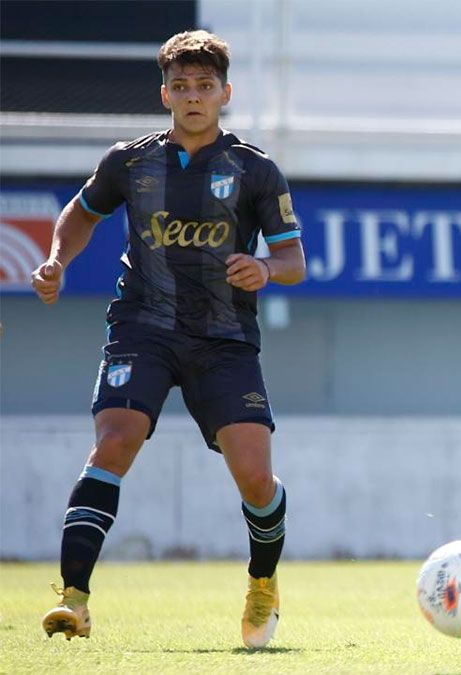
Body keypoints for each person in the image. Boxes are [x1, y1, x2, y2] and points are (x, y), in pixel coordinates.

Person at [30, 30, 305, 649]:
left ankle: (263, 582)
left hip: (224, 338)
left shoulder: (255, 169)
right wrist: (56, 260)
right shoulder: (128, 162)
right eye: (181, 86)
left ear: (225, 93)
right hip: (142, 326)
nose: (193, 96)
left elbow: (294, 261)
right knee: (114, 443)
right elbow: (81, 213)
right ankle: (74, 599)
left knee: (256, 478)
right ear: (165, 95)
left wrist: (265, 269)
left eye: (205, 86)